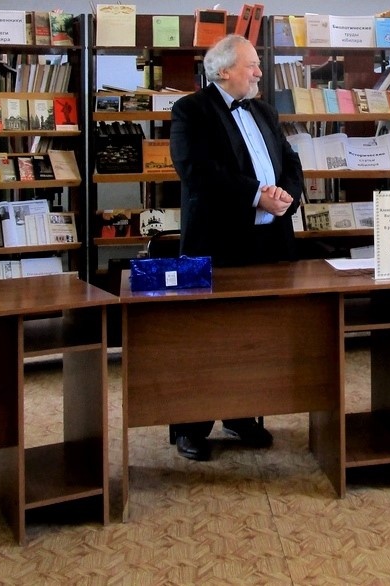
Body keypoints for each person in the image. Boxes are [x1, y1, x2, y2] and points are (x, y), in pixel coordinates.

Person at [167, 34, 303, 460]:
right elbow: (197, 171)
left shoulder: (264, 110)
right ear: (224, 70)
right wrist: (256, 195)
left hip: (269, 244)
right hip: (218, 245)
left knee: (257, 338)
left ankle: (242, 414)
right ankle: (192, 426)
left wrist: (286, 196)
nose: (259, 72)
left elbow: (290, 160)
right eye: (251, 65)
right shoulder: (190, 110)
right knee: (208, 338)